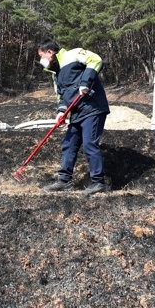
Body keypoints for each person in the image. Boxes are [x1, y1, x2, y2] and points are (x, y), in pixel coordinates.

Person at [36, 40, 110, 195]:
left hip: (93, 107)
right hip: (76, 113)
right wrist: (61, 112)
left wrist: (86, 82)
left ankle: (98, 182)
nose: (41, 60)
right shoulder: (55, 73)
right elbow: (61, 96)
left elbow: (95, 59)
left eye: (41, 55)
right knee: (69, 144)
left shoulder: (73, 54)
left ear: (50, 52)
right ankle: (64, 180)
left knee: (89, 143)